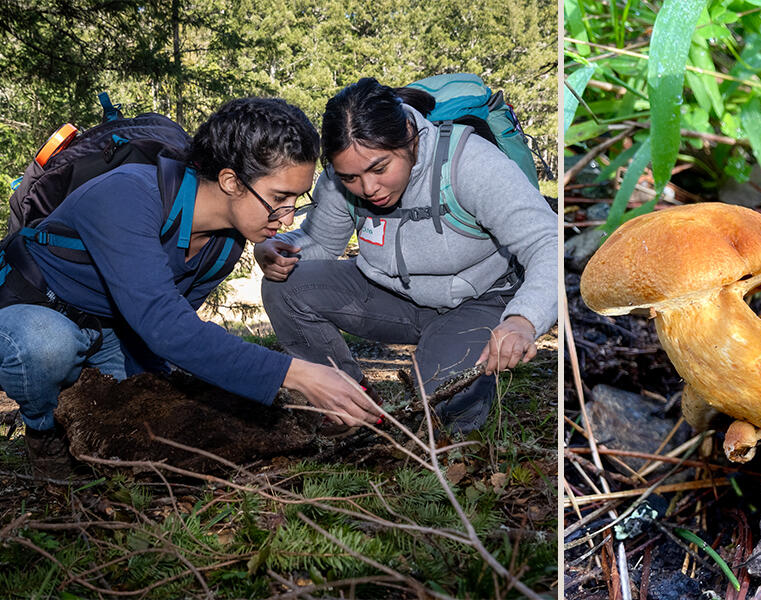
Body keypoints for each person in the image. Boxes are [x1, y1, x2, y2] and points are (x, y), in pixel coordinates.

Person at [0, 98, 379, 479]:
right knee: (45, 345)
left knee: (138, 423)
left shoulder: (224, 245)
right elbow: (167, 329)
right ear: (231, 181)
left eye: (297, 199)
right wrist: (298, 374)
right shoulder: (127, 195)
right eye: (280, 198)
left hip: (113, 332)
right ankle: (42, 431)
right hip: (32, 307)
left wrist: (154, 389)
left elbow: (171, 334)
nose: (287, 216)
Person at [255, 77, 557, 433]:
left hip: (481, 299)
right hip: (391, 296)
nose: (368, 188)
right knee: (285, 287)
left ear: (410, 137)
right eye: (351, 177)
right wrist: (276, 251)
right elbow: (319, 242)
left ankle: (461, 391)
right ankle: (348, 402)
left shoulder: (469, 164)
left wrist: (523, 320)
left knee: (439, 408)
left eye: (380, 168)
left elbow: (547, 243)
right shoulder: (342, 178)